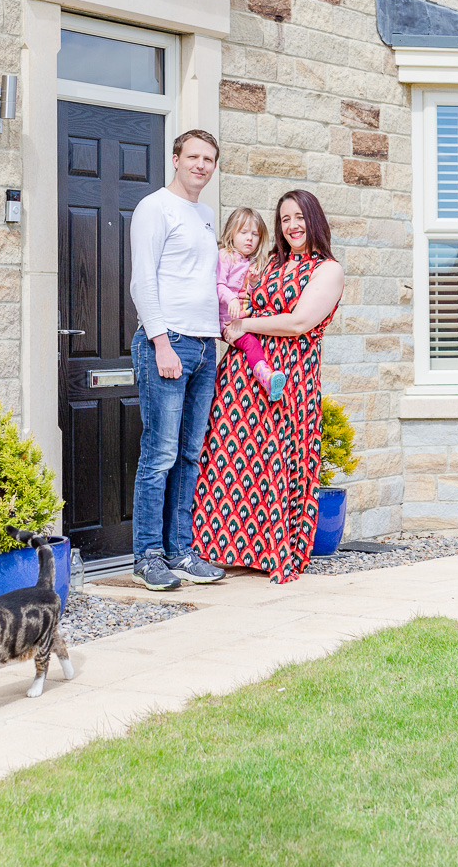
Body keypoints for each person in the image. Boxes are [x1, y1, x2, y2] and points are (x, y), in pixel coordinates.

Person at [191, 189, 344, 584]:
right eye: (284, 219)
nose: (291, 225)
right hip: (240, 375)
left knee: (275, 461)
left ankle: (272, 549)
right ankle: (217, 550)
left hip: (288, 377)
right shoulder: (269, 264)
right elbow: (237, 300)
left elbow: (298, 323)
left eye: (299, 217)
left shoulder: (327, 269)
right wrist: (232, 324)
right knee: (226, 459)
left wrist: (245, 325)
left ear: (314, 219)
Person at [129, 130, 228, 591]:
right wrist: (161, 343)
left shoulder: (205, 214)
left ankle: (180, 550)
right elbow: (142, 282)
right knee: (160, 454)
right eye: (194, 156)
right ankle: (147, 556)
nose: (201, 165)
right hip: (168, 344)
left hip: (206, 346)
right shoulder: (155, 207)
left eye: (209, 159)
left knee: (190, 454)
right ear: (175, 159)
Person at [217, 207, 286, 400]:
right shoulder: (225, 256)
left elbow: (251, 296)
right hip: (227, 323)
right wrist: (230, 298)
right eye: (244, 232)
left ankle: (267, 377)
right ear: (231, 233)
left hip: (243, 319)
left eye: (255, 234)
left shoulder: (250, 263)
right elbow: (218, 284)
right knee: (250, 344)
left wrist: (254, 283)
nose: (250, 238)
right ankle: (266, 377)